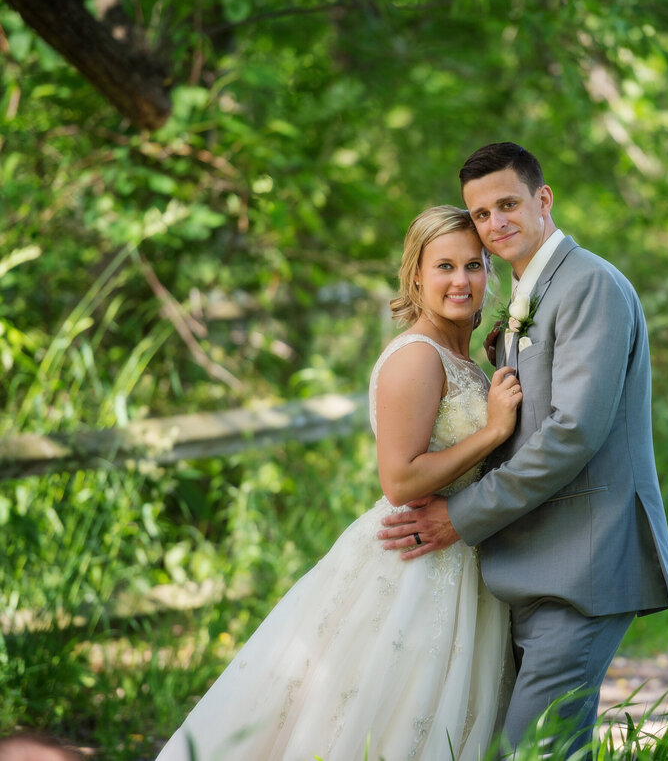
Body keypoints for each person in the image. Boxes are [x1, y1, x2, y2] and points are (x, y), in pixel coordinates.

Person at [155, 205, 521, 761]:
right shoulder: (417, 358)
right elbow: (399, 480)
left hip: (461, 553)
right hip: (416, 559)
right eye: (444, 266)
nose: (461, 281)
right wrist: (493, 429)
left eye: (474, 266)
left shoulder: (461, 357)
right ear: (415, 274)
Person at [378, 142, 668, 755]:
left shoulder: (587, 285)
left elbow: (572, 433)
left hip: (582, 563)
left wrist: (459, 517)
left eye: (507, 204)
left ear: (543, 200)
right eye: (481, 214)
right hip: (532, 565)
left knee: (531, 750)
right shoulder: (529, 296)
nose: (495, 224)